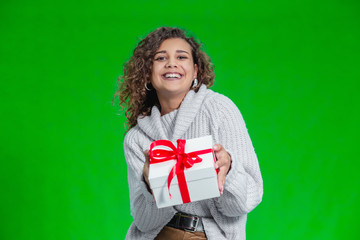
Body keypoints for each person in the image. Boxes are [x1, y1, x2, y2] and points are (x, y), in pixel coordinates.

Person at [114, 26, 263, 240]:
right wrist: (150, 186)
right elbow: (144, 222)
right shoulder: (137, 139)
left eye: (181, 56)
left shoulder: (219, 110)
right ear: (147, 73)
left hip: (208, 235)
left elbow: (245, 201)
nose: (171, 63)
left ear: (195, 71)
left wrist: (229, 171)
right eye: (160, 58)